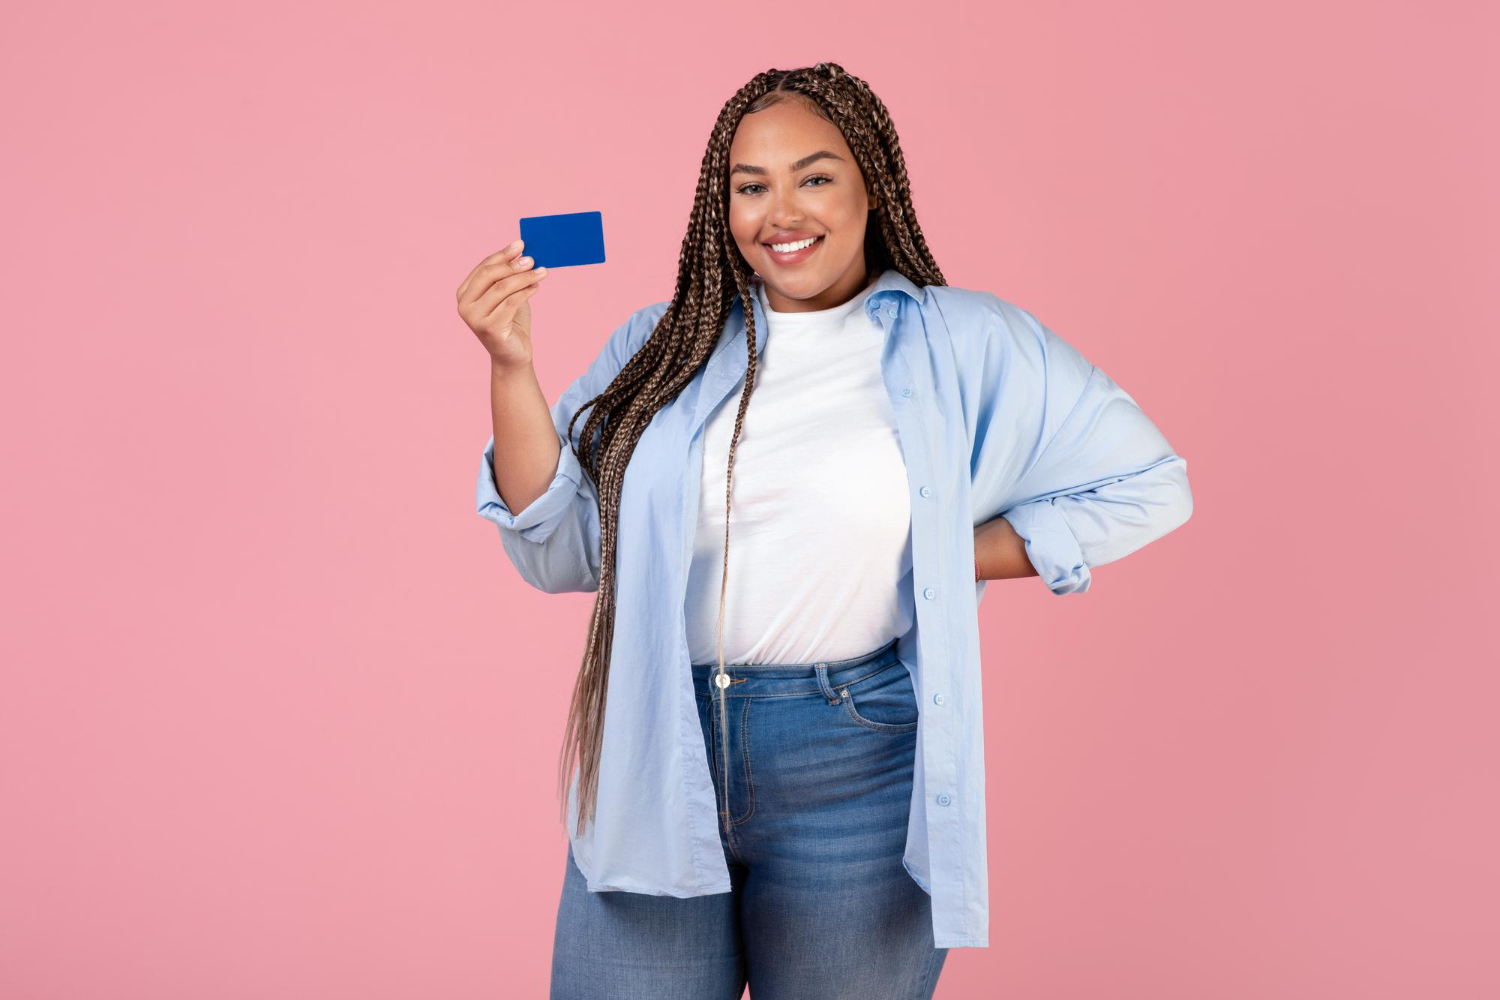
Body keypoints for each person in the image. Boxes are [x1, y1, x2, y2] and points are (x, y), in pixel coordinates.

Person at [455, 62, 1192, 1000]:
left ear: (870, 186)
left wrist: (944, 551)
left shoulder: (963, 343)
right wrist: (511, 366)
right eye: (749, 186)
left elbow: (1149, 486)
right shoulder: (664, 343)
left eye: (813, 177)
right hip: (655, 741)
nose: (780, 211)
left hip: (856, 760)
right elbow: (559, 548)